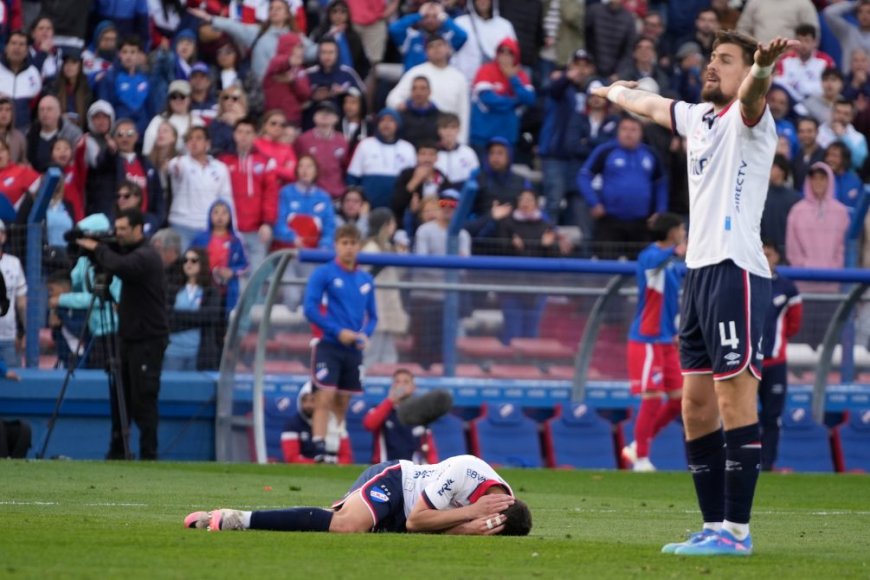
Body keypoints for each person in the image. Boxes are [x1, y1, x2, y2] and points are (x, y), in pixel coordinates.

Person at [593, 31, 797, 555]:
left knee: (733, 398)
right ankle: (712, 526)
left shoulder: (749, 118)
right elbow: (649, 103)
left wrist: (759, 68)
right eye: (711, 58)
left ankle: (737, 532)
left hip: (736, 271)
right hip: (700, 273)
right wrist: (611, 90)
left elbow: (752, 93)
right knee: (696, 407)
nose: (712, 66)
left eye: (724, 60)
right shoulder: (699, 118)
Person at [184, 453, 531, 536]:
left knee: (332, 522)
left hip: (410, 514)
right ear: (495, 506)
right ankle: (236, 519)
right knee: (347, 525)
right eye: (489, 524)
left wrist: (469, 528)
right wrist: (468, 517)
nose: (483, 528)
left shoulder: (507, 507)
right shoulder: (465, 470)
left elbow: (443, 528)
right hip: (396, 483)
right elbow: (417, 521)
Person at [76, 208, 169, 460]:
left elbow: (122, 266)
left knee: (143, 399)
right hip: (128, 337)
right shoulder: (130, 253)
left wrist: (98, 249)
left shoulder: (146, 255)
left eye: (123, 229)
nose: (118, 234)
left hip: (147, 339)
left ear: (138, 229)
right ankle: (117, 449)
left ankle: (149, 453)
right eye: (116, 229)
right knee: (121, 398)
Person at [302, 224, 377, 463]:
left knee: (344, 399)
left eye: (353, 243)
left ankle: (334, 445)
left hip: (353, 349)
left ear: (359, 246)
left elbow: (373, 316)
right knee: (324, 395)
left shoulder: (366, 279)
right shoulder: (323, 274)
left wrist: (365, 333)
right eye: (344, 243)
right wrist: (337, 331)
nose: (349, 248)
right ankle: (319, 447)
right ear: (336, 245)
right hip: (329, 344)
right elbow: (310, 308)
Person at [621, 213, 687, 473]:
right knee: (652, 398)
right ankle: (641, 459)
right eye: (681, 228)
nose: (683, 231)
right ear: (671, 232)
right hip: (646, 339)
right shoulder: (650, 256)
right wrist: (679, 250)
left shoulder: (670, 263)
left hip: (665, 339)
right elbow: (658, 261)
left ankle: (638, 444)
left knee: (679, 399)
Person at [578, 115, 668, 259]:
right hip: (610, 220)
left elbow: (661, 183)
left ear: (641, 133)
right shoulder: (606, 151)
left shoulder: (650, 154)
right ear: (618, 131)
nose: (628, 133)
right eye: (624, 129)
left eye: (633, 130)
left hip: (641, 222)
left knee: (642, 265)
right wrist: (593, 202)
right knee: (606, 265)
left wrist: (660, 210)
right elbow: (584, 175)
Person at [50, 213, 121, 371]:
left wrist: (61, 300)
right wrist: (58, 303)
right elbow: (73, 285)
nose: (79, 244)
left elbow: (101, 299)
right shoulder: (84, 261)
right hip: (93, 333)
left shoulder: (115, 262)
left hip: (113, 332)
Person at [759, 241, 802, 471]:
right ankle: (741, 463)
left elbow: (794, 324)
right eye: (762, 253)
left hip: (775, 363)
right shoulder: (746, 282)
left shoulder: (787, 288)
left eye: (769, 254)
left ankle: (767, 464)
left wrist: (777, 342)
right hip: (748, 361)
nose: (765, 258)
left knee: (772, 417)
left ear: (777, 257)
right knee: (739, 415)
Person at [219, 117, 278, 276]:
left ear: (255, 136)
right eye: (240, 132)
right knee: (231, 274)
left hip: (256, 230)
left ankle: (254, 302)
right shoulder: (223, 161)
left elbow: (270, 195)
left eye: (248, 132)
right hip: (230, 230)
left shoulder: (266, 162)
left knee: (256, 276)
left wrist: (267, 223)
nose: (243, 136)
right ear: (234, 135)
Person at [386, 34, 471, 143]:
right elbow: (392, 98)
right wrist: (401, 105)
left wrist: (460, 141)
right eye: (431, 46)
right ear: (426, 52)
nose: (436, 49)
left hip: (447, 135)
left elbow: (463, 112)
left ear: (448, 49)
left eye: (440, 45)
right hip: (419, 133)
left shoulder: (459, 77)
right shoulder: (416, 72)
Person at [167, 126, 234, 249]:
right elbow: (174, 168)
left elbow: (226, 200)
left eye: (198, 138)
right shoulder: (180, 162)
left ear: (207, 143)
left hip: (207, 227)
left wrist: (232, 228)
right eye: (190, 139)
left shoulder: (220, 168)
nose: (194, 142)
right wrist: (174, 166)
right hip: (181, 224)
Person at [469, 38, 535, 153]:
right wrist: (515, 101)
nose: (505, 55)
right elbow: (488, 99)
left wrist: (513, 78)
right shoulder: (485, 70)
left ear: (516, 56)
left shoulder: (521, 75)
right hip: (483, 136)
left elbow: (529, 99)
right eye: (502, 51)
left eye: (510, 52)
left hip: (507, 137)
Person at [361, 208, 408, 367]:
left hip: (389, 303)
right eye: (392, 223)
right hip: (374, 305)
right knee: (371, 353)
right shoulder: (370, 248)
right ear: (385, 225)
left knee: (389, 354)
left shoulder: (389, 246)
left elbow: (399, 273)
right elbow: (367, 273)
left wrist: (401, 255)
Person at [163, 247, 223, 371]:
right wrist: (196, 319)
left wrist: (179, 317)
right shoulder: (172, 289)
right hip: (173, 351)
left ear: (202, 263)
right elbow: (166, 316)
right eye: (185, 260)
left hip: (199, 353)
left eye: (193, 260)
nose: (188, 264)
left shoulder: (211, 291)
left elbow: (210, 316)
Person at [346, 108, 415, 209]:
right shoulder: (365, 144)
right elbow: (353, 177)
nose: (386, 124)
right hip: (368, 207)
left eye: (391, 120)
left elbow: (412, 180)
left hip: (399, 208)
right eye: (383, 120)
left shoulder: (407, 148)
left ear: (398, 124)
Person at [191, 200, 249, 316]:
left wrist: (231, 272)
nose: (220, 217)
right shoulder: (200, 238)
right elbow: (191, 260)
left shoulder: (236, 240)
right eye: (216, 212)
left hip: (227, 290)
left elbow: (245, 265)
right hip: (204, 288)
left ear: (230, 217)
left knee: (224, 321)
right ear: (209, 215)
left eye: (224, 213)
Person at [362, 369, 432, 463]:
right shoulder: (381, 409)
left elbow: (430, 448)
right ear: (392, 386)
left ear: (413, 388)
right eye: (397, 382)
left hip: (413, 471)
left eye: (406, 382)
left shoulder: (421, 413)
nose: (401, 385)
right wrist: (390, 400)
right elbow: (369, 424)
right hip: (386, 469)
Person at [281, 381, 353, 464]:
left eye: (313, 400)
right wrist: (316, 463)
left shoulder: (335, 421)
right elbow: (292, 457)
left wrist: (330, 462)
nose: (308, 405)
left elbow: (347, 457)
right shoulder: (292, 424)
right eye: (304, 400)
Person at [294, 100, 349, 200]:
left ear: (336, 118)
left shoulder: (343, 141)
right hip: (310, 193)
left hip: (336, 194)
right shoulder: (303, 139)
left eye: (329, 112)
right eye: (320, 112)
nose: (325, 115)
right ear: (314, 117)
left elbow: (345, 167)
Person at [389, 1, 467, 71]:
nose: (430, 20)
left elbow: (462, 36)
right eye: (426, 16)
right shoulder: (411, 37)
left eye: (435, 16)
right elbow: (394, 29)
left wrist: (444, 17)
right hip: (413, 82)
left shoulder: (446, 39)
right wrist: (418, 15)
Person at [0, 30, 42, 131]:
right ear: (6, 48)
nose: (17, 47)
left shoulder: (34, 73)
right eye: (13, 43)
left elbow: (35, 104)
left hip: (23, 129)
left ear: (27, 50)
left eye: (21, 44)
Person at [760, 155, 801, 256]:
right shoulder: (759, 195)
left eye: (772, 166)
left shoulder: (795, 198)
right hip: (764, 251)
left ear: (782, 170)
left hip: (789, 252)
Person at [0, 219, 26, 368]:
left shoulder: (14, 263)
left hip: (9, 338)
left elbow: (21, 303)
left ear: (3, 236)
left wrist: (23, 332)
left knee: (14, 385)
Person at [434, 112, 478, 190]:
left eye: (452, 127)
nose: (448, 132)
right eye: (444, 127)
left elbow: (475, 177)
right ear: (438, 130)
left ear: (459, 130)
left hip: (462, 194)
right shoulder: (433, 153)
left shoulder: (468, 153)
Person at [823, 0, 870, 74]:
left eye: (869, 12)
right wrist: (855, 4)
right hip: (847, 82)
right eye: (860, 12)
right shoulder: (847, 32)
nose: (864, 15)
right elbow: (829, 13)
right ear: (856, 14)